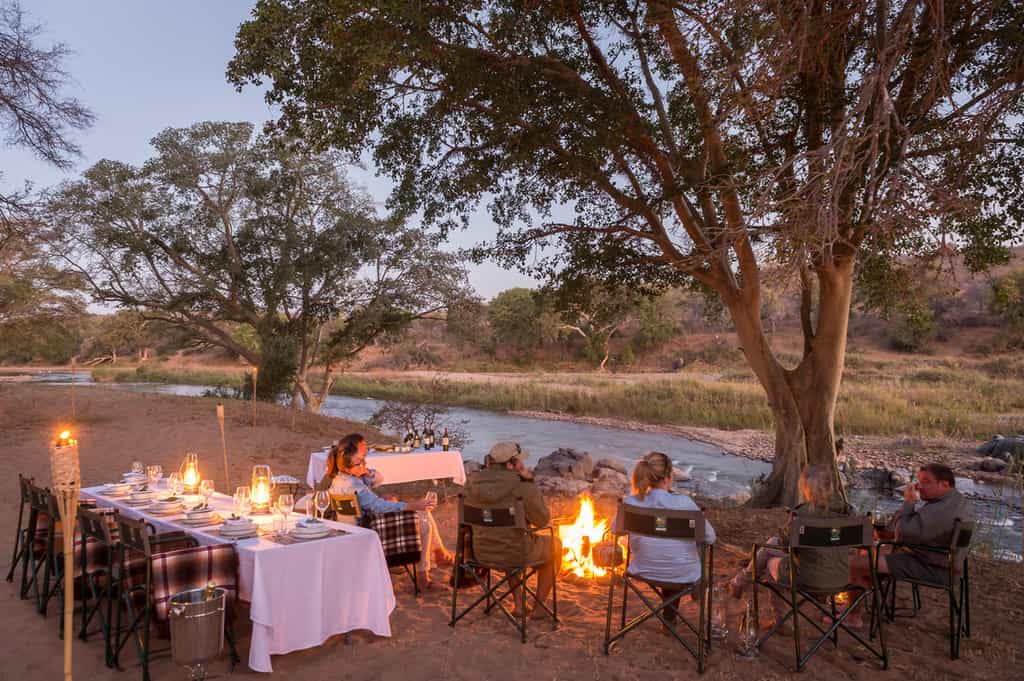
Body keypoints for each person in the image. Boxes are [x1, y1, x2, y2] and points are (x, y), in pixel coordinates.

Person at [316, 433, 452, 587]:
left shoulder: (341, 478)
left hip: (354, 528)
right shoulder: (354, 484)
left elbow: (379, 480)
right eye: (359, 462)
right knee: (424, 519)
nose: (364, 464)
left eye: (363, 460)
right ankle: (424, 575)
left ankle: (440, 553)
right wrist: (410, 505)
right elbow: (378, 506)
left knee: (421, 511)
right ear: (348, 466)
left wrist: (367, 472)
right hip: (370, 531)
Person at [730, 465, 852, 626]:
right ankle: (740, 580)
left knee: (770, 560)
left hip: (808, 578)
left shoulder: (802, 515)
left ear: (806, 488)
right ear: (830, 485)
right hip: (842, 577)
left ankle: (780, 621)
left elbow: (784, 545)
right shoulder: (848, 512)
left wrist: (787, 527)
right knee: (771, 545)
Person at [617, 452, 716, 627]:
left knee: (666, 550)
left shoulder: (631, 503)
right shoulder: (684, 503)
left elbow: (615, 531)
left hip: (643, 570)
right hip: (684, 574)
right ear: (668, 477)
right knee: (680, 557)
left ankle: (670, 617)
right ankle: (678, 616)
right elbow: (710, 537)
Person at [463, 441, 562, 617]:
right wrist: (530, 481)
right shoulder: (521, 486)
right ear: (510, 465)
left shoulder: (471, 483)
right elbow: (542, 520)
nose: (523, 464)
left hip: (480, 552)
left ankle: (519, 604)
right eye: (519, 461)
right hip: (515, 552)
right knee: (554, 544)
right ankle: (539, 608)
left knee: (506, 535)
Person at [850, 463, 972, 593]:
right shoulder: (957, 501)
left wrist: (909, 501)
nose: (918, 486)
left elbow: (901, 536)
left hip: (933, 568)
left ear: (944, 484)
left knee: (853, 563)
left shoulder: (942, 509)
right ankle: (871, 592)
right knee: (869, 553)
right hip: (939, 561)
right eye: (919, 481)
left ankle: (859, 605)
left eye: (926, 482)